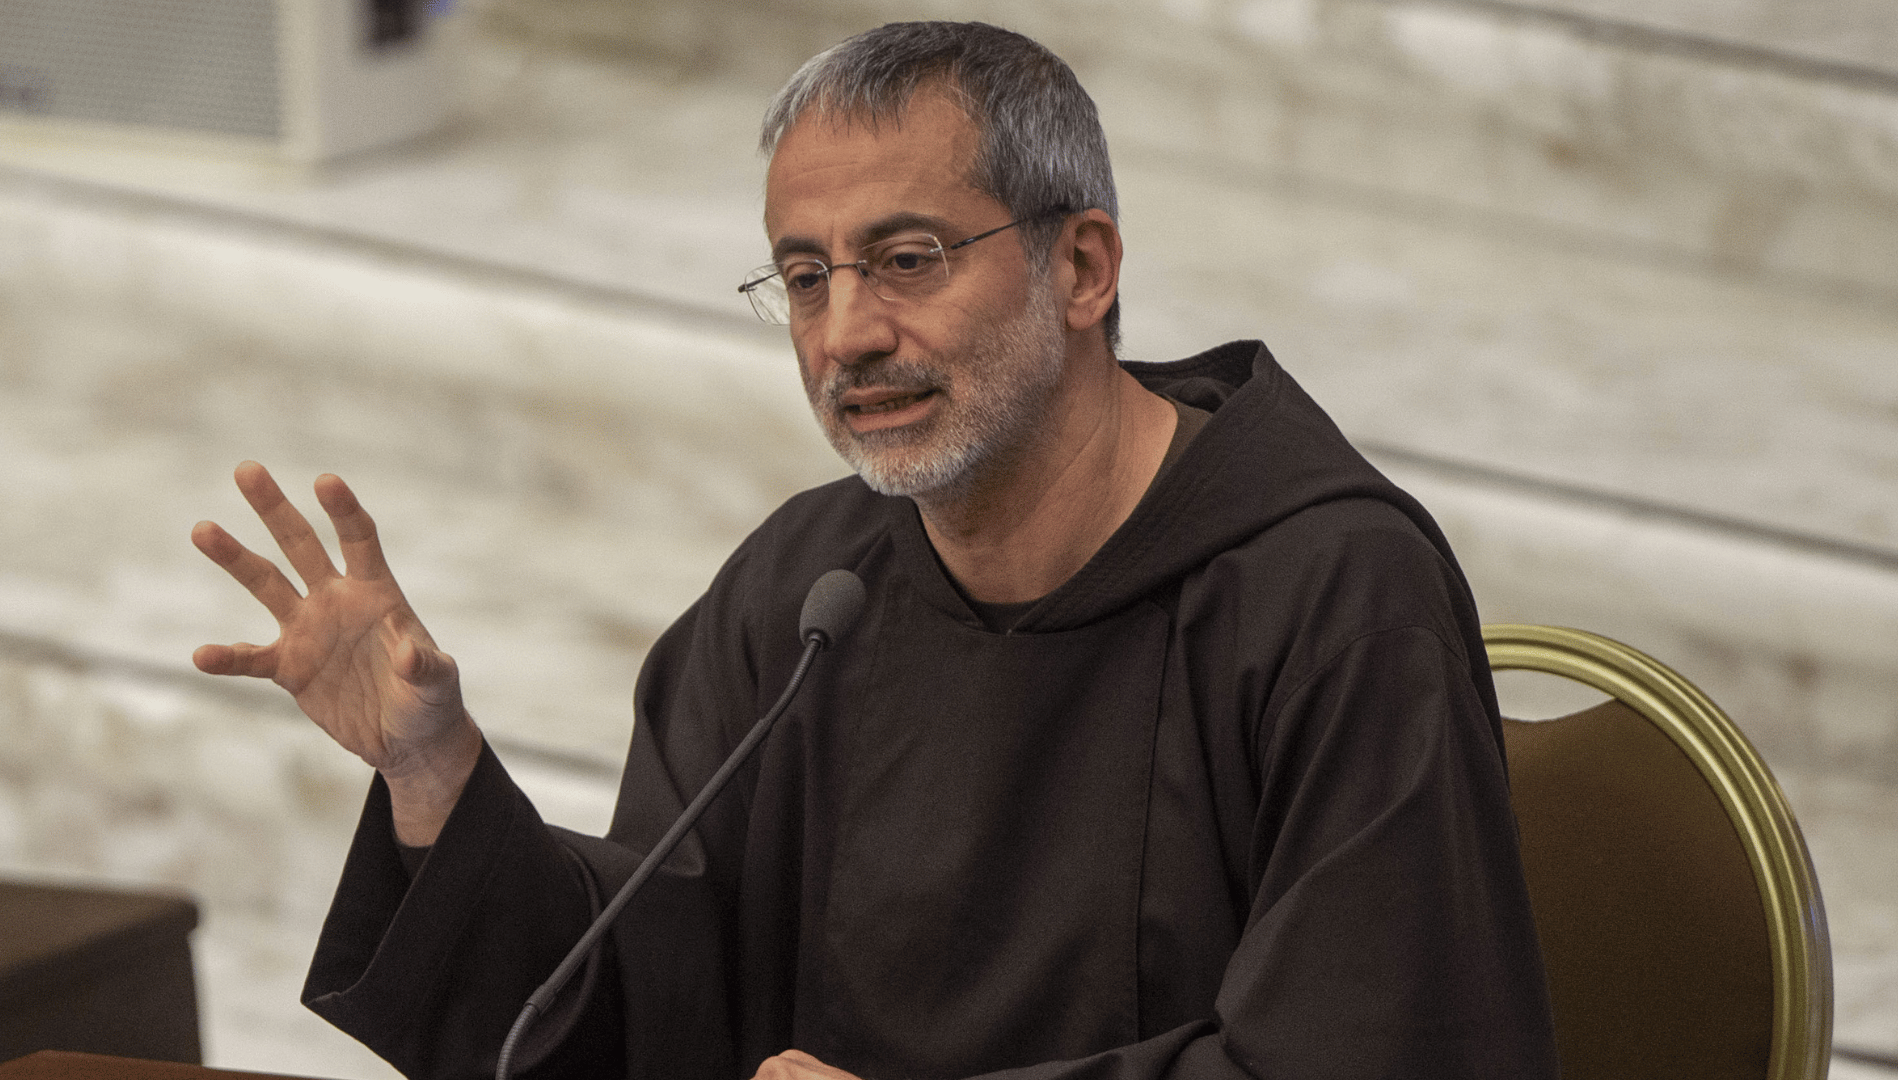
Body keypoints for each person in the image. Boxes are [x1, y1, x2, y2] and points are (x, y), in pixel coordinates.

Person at [191, 20, 1557, 1080]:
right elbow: (643, 1011)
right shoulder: (804, 594)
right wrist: (437, 778)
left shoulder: (1329, 596)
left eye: (906, 259)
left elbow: (1377, 1056)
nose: (842, 333)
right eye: (802, 276)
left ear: (1081, 270)